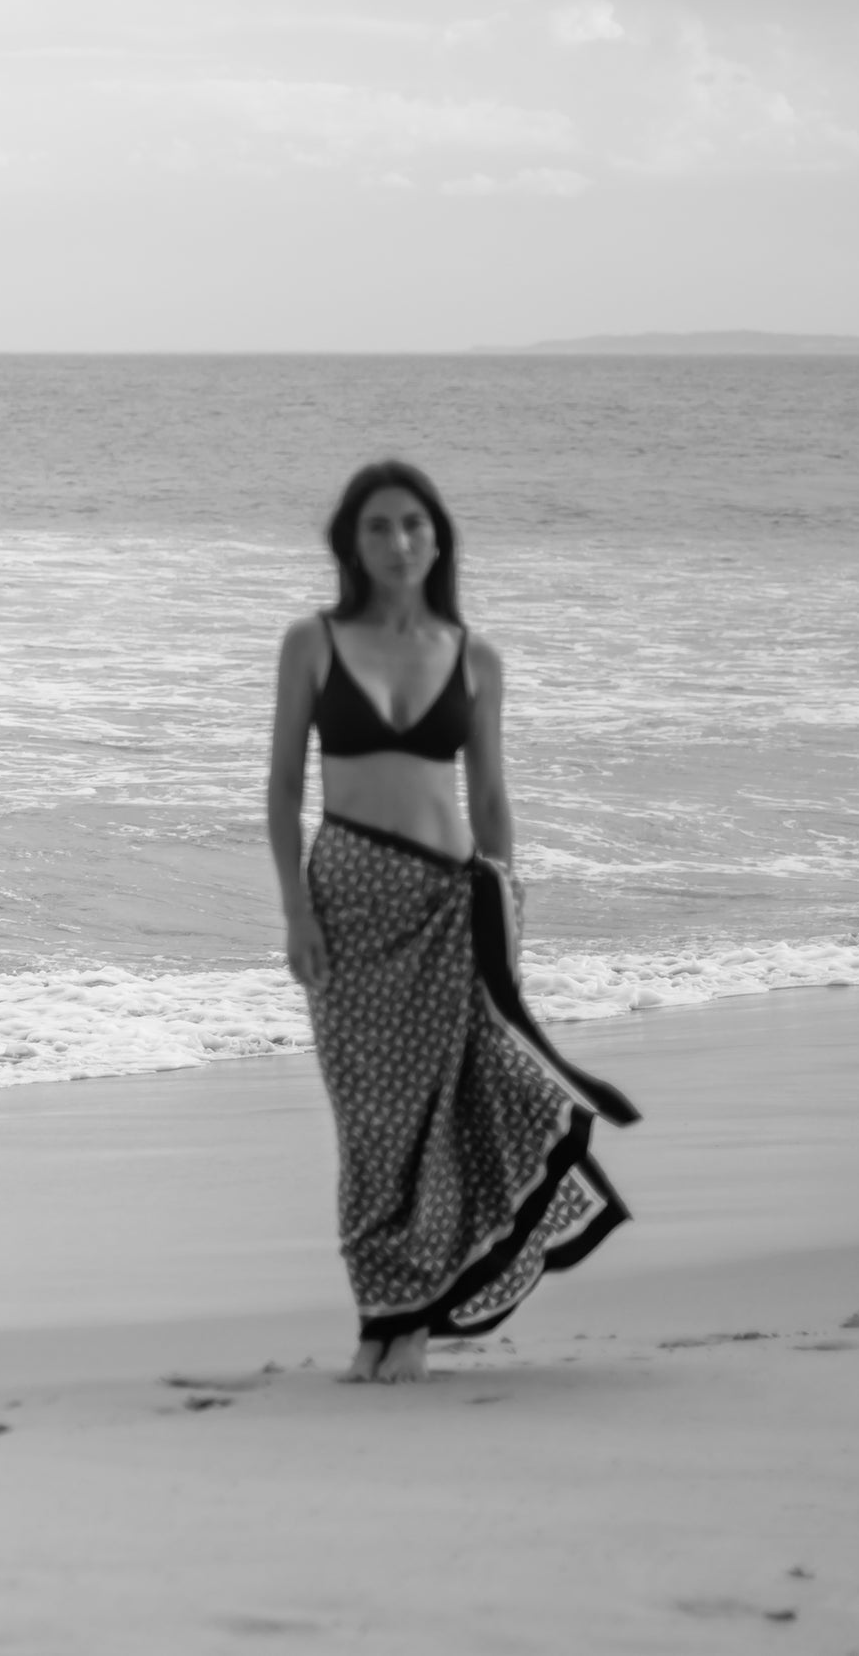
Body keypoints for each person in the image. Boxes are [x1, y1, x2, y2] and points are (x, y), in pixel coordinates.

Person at [267, 459, 637, 1383]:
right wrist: (295, 915)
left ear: (438, 539)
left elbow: (495, 798)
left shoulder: (475, 657)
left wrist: (508, 908)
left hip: (449, 904)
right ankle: (378, 1315)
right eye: (379, 527)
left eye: (413, 526)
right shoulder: (311, 643)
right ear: (353, 543)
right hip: (349, 904)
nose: (398, 542)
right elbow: (279, 792)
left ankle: (413, 1321)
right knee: (371, 1124)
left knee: (454, 1112)